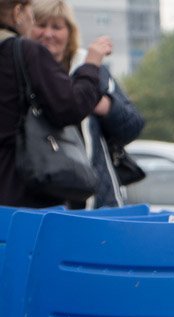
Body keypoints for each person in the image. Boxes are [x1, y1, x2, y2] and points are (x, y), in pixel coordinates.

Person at [32, 0, 142, 208]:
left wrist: (104, 105)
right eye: (41, 25)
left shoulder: (91, 69)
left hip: (97, 199)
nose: (48, 34)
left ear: (70, 33)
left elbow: (133, 126)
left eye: (56, 27)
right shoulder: (18, 71)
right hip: (40, 198)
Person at [0, 0, 108, 207]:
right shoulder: (25, 51)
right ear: (18, 12)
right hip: (22, 192)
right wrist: (91, 67)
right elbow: (70, 107)